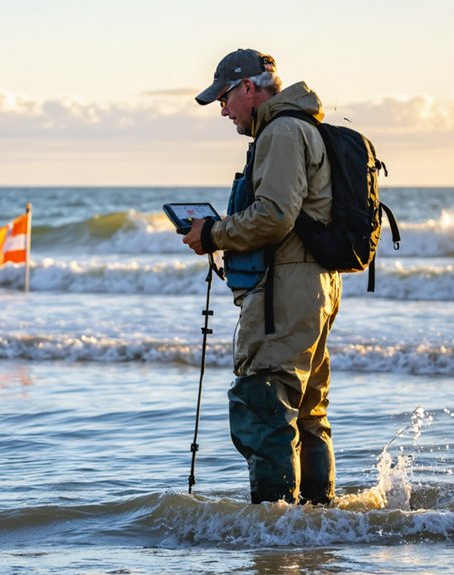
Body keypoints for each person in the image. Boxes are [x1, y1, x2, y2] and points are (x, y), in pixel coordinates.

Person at [182, 48, 340, 505]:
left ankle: (274, 533)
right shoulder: (304, 127)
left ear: (249, 88)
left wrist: (213, 232)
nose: (222, 109)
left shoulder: (282, 131)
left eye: (225, 97)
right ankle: (315, 525)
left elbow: (273, 217)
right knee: (307, 411)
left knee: (264, 404)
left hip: (286, 288)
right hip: (315, 285)